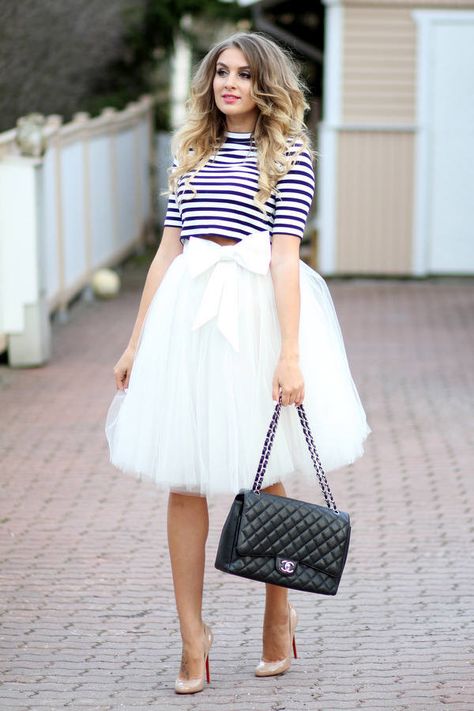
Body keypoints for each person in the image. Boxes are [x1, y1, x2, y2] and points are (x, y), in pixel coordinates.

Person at [105, 31, 371, 695]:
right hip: (187, 322)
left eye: (245, 75)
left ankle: (278, 612)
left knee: (266, 471)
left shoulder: (289, 155)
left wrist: (289, 352)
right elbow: (169, 252)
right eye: (222, 72)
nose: (230, 84)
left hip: (254, 319)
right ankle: (193, 638)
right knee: (184, 474)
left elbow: (286, 256)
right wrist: (137, 339)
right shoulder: (191, 152)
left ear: (265, 86)